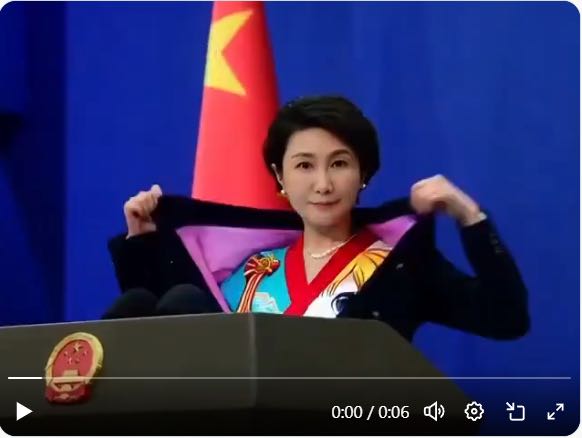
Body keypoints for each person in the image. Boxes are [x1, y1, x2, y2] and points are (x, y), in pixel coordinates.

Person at [104, 95, 530, 342]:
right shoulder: (249, 270)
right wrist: (141, 241)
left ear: (364, 173)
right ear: (280, 177)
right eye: (305, 166)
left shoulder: (400, 264)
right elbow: (163, 346)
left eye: (339, 164)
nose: (323, 184)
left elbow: (506, 318)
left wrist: (469, 216)